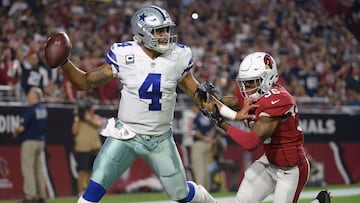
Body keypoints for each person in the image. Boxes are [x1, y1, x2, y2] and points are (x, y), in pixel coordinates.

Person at [45, 5, 256, 203]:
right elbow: (85, 82)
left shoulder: (178, 56)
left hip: (160, 139)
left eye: (166, 30)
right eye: (159, 31)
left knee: (180, 193)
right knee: (93, 190)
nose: (165, 36)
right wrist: (66, 63)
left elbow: (201, 98)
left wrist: (234, 115)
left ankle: (206, 199)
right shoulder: (125, 54)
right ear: (143, 32)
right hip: (126, 135)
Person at [200, 52, 331, 203]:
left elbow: (251, 142)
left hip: (290, 169)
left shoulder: (280, 100)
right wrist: (210, 99)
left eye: (252, 82)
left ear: (267, 78)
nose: (246, 87)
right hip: (269, 161)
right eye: (244, 82)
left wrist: (221, 123)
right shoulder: (253, 93)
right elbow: (233, 102)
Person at [13, 87, 48, 203]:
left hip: (29, 142)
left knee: (28, 169)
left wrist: (15, 131)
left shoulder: (31, 110)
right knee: (38, 169)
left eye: (29, 94)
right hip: (40, 141)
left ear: (34, 97)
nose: (27, 96)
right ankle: (41, 195)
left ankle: (30, 196)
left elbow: (22, 128)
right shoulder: (43, 109)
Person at [72, 101, 103, 196]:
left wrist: (87, 118)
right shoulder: (78, 120)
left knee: (93, 171)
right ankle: (80, 191)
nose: (92, 110)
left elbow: (98, 124)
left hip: (94, 148)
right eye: (90, 109)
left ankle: (90, 191)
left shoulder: (96, 117)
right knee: (82, 170)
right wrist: (77, 118)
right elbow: (74, 131)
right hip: (83, 149)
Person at [190, 105, 216, 190]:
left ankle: (201, 190)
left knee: (198, 168)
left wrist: (205, 139)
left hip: (199, 144)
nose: (192, 109)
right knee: (205, 167)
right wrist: (210, 139)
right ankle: (207, 189)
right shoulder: (206, 117)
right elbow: (213, 128)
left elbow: (196, 133)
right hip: (207, 144)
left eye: (194, 108)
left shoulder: (197, 118)